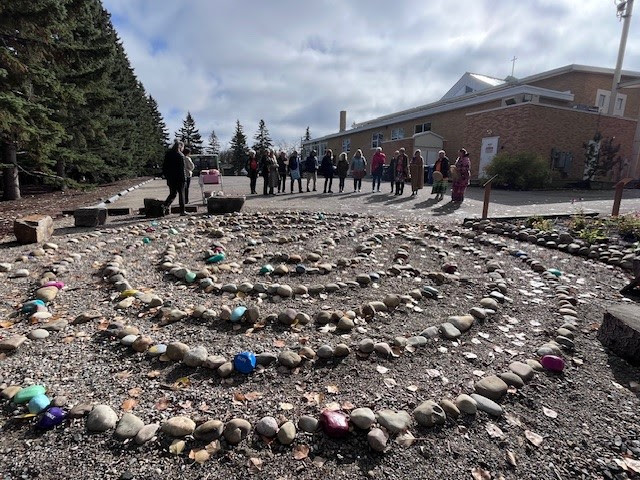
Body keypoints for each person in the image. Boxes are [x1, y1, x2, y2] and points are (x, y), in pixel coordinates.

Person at [162, 141, 186, 215]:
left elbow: (164, 166)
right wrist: (184, 178)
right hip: (179, 177)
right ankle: (182, 211)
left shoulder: (168, 154)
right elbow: (182, 168)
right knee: (181, 194)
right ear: (180, 147)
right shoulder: (180, 155)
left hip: (170, 178)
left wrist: (166, 176)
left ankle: (164, 206)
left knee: (172, 193)